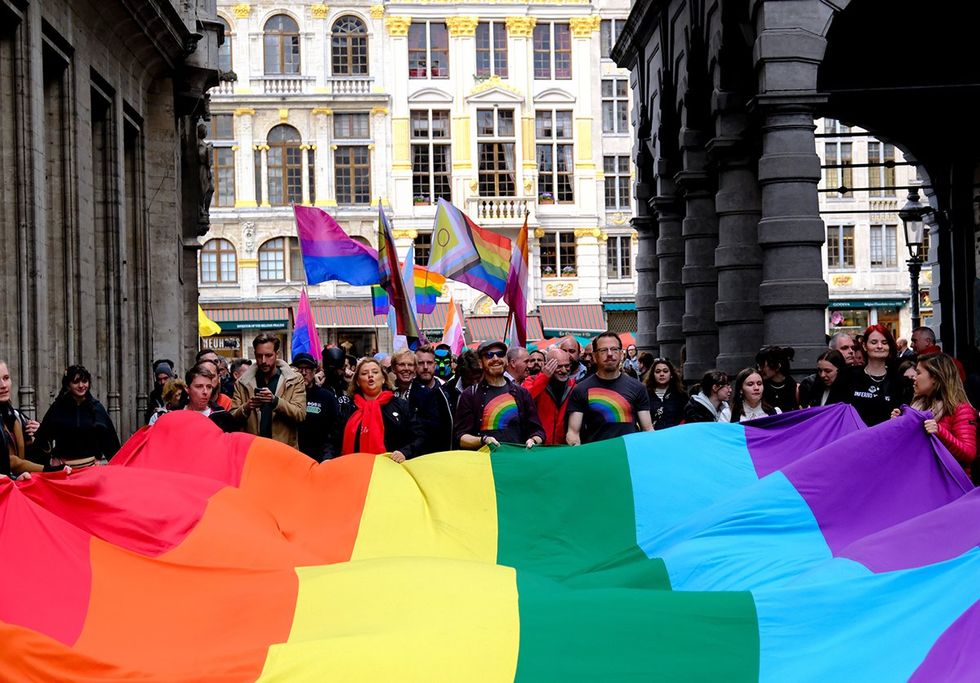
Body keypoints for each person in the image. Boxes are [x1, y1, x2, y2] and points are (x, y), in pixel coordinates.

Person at [566, 332, 654, 445]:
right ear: (595, 356)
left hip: (627, 456)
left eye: (614, 349)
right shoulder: (581, 389)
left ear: (621, 354)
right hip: (597, 456)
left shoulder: (638, 388)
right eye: (603, 350)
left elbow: (647, 429)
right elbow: (573, 433)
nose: (609, 354)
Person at [455, 341, 545, 450]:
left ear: (506, 360)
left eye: (500, 354)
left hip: (516, 461)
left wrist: (533, 440)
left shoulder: (522, 393)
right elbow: (461, 438)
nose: (495, 358)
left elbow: (538, 431)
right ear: (480, 362)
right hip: (485, 463)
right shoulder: (470, 395)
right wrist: (483, 440)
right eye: (489, 355)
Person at [898, 353, 977, 472]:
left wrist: (939, 432)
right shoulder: (918, 404)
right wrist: (899, 421)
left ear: (935, 377)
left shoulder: (961, 409)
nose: (914, 377)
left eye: (919, 373)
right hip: (921, 476)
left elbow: (969, 454)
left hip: (948, 482)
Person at [34, 364, 120, 469]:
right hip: (63, 469)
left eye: (85, 381)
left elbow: (110, 441)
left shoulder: (97, 408)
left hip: (91, 469)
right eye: (76, 382)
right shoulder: (58, 407)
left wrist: (118, 467)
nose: (81, 385)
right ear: (68, 385)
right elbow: (44, 438)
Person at [339, 358, 424, 462]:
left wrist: (404, 452)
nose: (370, 375)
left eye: (375, 372)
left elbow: (419, 436)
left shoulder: (401, 405)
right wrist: (327, 459)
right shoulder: (348, 408)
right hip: (356, 469)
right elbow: (333, 441)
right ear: (357, 382)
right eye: (365, 373)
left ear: (383, 378)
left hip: (393, 469)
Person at [230, 333, 306, 447]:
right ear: (255, 355)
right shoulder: (242, 382)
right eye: (259, 356)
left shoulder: (293, 379)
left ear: (277, 354)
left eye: (268, 355)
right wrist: (247, 407)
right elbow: (232, 418)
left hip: (284, 451)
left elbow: (300, 415)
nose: (263, 360)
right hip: (254, 451)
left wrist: (275, 401)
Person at [848, 323, 900, 427]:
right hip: (854, 439)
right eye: (874, 342)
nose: (880, 346)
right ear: (864, 346)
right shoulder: (849, 376)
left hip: (887, 439)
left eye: (884, 342)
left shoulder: (899, 381)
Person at [291, 353, 339, 462]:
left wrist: (328, 456)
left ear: (314, 371)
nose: (303, 373)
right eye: (299, 368)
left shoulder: (327, 397)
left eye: (307, 369)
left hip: (319, 459)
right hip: (292, 457)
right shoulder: (286, 395)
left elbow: (334, 431)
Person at [525, 347, 577, 445]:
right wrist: (544, 377)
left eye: (567, 366)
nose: (564, 370)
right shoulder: (531, 381)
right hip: (537, 445)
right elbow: (526, 401)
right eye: (558, 366)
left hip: (564, 447)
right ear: (546, 365)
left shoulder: (574, 386)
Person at [0, 360, 42, 476]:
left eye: (6, 378)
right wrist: (49, 470)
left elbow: (33, 455)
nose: (3, 385)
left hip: (19, 486)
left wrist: (41, 435)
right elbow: (11, 462)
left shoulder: (17, 416)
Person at [413, 345, 454, 454]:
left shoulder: (448, 390)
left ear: (435, 365)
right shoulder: (409, 391)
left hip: (442, 455)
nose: (425, 367)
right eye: (421, 363)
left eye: (429, 363)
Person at [644, 357, 687, 430]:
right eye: (658, 371)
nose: (661, 374)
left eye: (665, 371)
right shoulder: (645, 394)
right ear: (652, 375)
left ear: (671, 374)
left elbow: (686, 417)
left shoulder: (681, 394)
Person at [756, 345, 799, 412]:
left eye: (762, 365)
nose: (759, 369)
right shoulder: (759, 386)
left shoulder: (793, 386)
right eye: (758, 365)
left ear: (777, 366)